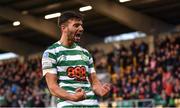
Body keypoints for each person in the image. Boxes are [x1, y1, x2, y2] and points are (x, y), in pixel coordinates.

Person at [42, 11, 111, 107]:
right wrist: (73, 97)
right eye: (76, 25)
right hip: (68, 105)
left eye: (81, 25)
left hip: (91, 104)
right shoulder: (51, 53)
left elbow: (94, 83)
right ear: (64, 28)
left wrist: (101, 90)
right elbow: (53, 87)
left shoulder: (85, 53)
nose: (81, 29)